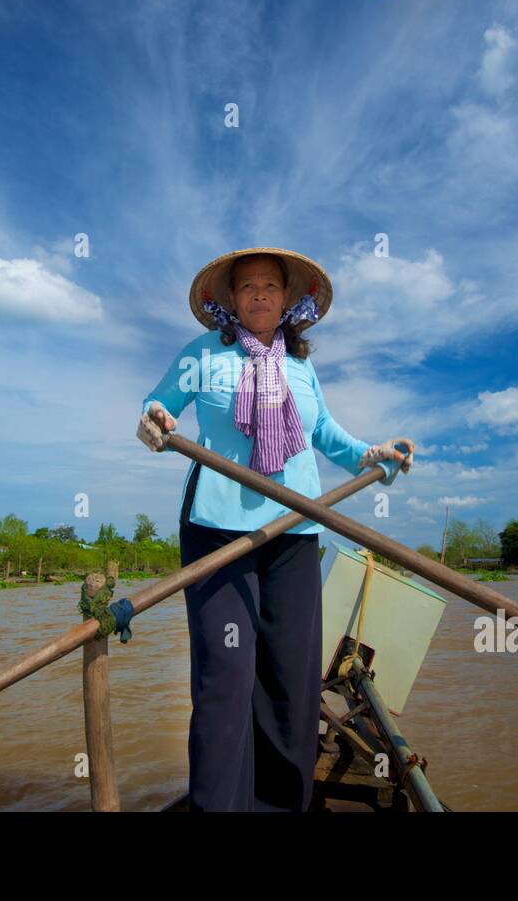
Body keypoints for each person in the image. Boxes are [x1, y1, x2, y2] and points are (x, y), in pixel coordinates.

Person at [136, 246, 414, 811]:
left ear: (289, 300)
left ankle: (286, 804)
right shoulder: (204, 353)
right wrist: (156, 421)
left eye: (270, 285)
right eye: (247, 286)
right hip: (218, 532)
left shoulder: (300, 366)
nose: (259, 293)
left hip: (294, 529)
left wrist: (373, 454)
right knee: (226, 676)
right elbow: (158, 406)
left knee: (292, 678)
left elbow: (326, 434)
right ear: (229, 301)